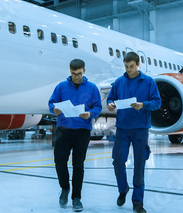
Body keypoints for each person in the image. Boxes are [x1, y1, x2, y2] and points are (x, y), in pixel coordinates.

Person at [107, 52, 161, 213]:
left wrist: (143, 105)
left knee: (139, 165)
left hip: (140, 129)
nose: (129, 69)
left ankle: (138, 201)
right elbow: (111, 98)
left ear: (138, 65)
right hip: (122, 128)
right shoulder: (119, 82)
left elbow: (157, 102)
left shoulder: (149, 82)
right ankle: (123, 189)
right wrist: (110, 104)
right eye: (126, 66)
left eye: (131, 66)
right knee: (117, 161)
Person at [48, 59, 102, 212]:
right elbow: (51, 103)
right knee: (59, 161)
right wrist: (55, 109)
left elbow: (98, 106)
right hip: (63, 129)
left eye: (79, 74)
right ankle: (65, 188)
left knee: (78, 165)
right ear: (69, 71)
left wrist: (90, 114)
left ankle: (76, 198)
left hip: (82, 130)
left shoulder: (92, 88)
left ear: (84, 71)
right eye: (73, 74)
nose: (76, 77)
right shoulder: (61, 87)